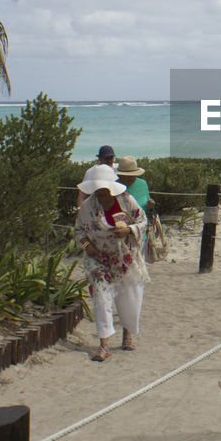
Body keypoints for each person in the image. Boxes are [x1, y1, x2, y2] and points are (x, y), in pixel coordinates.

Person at [75, 166, 148, 361]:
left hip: (124, 258)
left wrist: (129, 230)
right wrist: (87, 246)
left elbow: (142, 221)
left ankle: (127, 335)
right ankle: (104, 345)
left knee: (129, 298)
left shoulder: (126, 200)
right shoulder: (87, 207)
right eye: (97, 188)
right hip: (98, 260)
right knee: (101, 298)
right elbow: (78, 231)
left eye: (104, 188)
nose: (101, 192)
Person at [115, 156, 158, 262]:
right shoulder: (114, 187)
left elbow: (147, 211)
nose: (132, 178)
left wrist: (150, 207)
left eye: (134, 175)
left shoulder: (142, 184)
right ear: (119, 175)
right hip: (120, 237)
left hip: (140, 235)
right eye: (128, 176)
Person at [76, 144, 117, 210]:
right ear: (100, 158)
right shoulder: (91, 171)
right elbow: (82, 193)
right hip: (97, 206)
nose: (109, 160)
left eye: (111, 158)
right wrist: (80, 209)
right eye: (107, 158)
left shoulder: (118, 169)